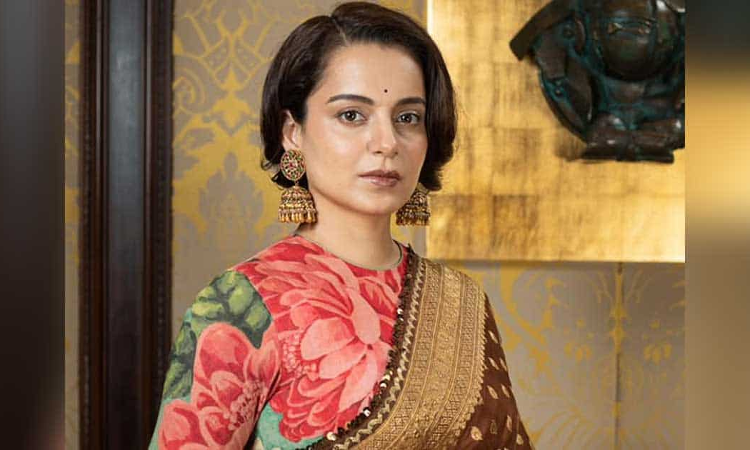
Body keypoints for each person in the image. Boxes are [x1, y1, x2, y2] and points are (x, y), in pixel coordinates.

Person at [150, 2, 532, 449]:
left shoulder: (461, 302)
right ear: (292, 132)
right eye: (352, 115)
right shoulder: (240, 304)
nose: (387, 143)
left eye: (407, 118)